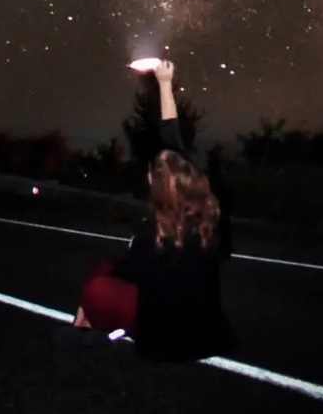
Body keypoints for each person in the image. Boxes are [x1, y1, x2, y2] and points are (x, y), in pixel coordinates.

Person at [65, 59, 236, 362]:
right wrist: (165, 83)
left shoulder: (153, 232)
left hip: (162, 342)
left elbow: (129, 273)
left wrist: (104, 278)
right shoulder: (213, 215)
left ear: (156, 187)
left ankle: (88, 324)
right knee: (113, 271)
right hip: (209, 336)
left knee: (98, 284)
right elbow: (173, 141)